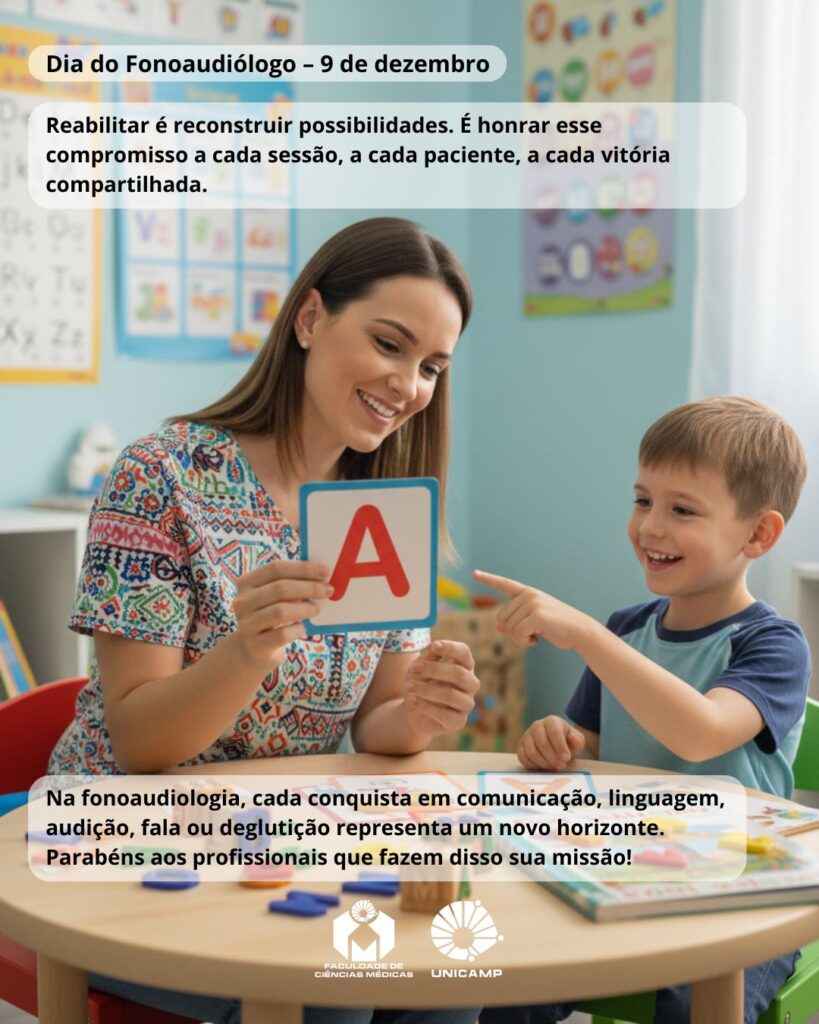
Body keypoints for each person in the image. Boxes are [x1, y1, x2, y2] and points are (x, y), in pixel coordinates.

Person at [49, 217, 481, 1024]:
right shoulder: (159, 475)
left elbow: (376, 722)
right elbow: (141, 744)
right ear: (310, 318)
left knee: (448, 975)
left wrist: (421, 710)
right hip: (124, 839)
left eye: (431, 367)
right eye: (389, 344)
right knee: (338, 994)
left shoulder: (382, 508)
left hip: (278, 840)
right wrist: (247, 652)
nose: (408, 385)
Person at [475, 396, 810, 1024]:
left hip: (743, 887)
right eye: (642, 500)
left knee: (692, 1007)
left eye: (682, 510)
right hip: (624, 865)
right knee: (505, 979)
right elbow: (592, 745)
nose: (650, 526)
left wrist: (585, 635)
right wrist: (557, 738)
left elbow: (702, 733)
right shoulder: (627, 630)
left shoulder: (774, 645)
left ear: (758, 534)